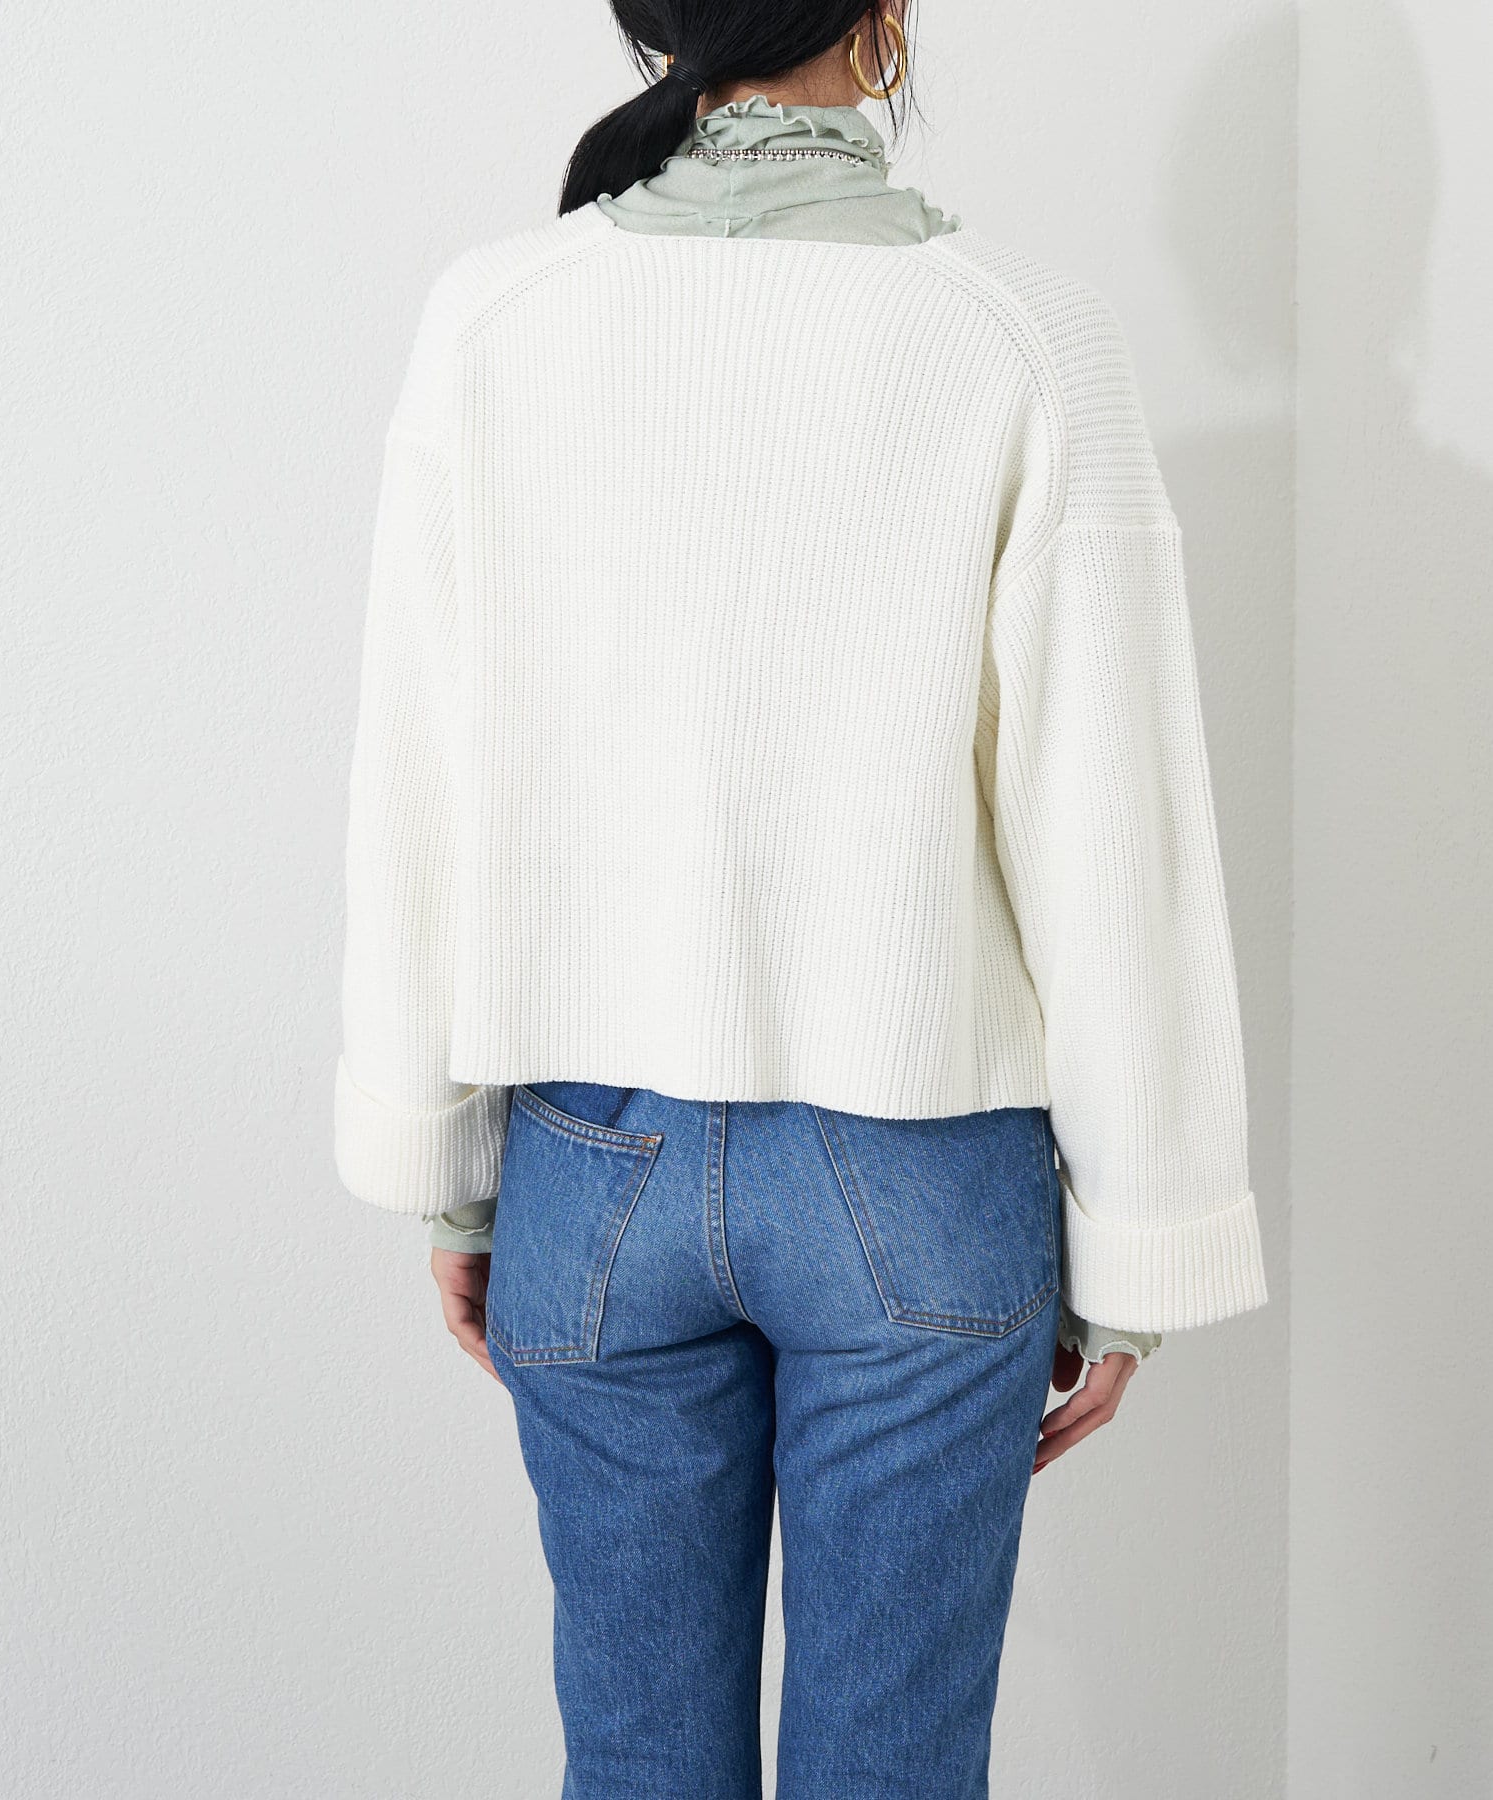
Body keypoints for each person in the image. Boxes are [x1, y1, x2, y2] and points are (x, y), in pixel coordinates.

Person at [332, 3, 1269, 1793]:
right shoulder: (1019, 334)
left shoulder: (495, 320)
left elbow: (419, 777)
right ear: (885, 15)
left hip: (591, 1165)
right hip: (925, 1185)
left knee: (636, 1764)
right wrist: (1142, 1244)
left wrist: (446, 1167)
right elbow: (1112, 824)